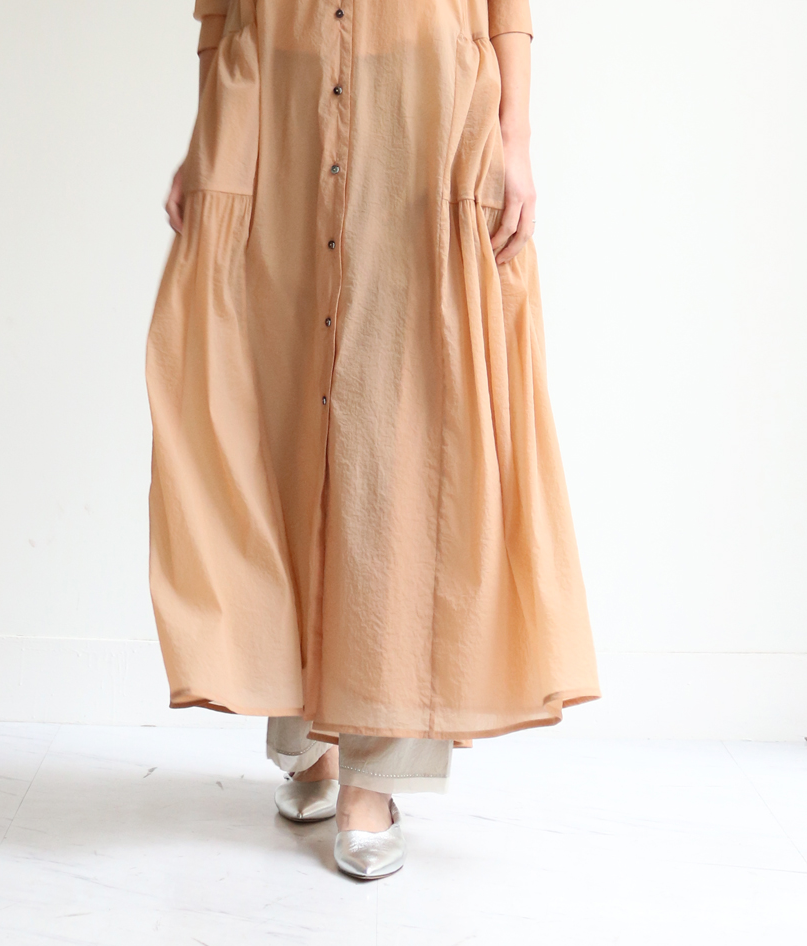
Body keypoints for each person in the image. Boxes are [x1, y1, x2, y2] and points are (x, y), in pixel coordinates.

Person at [146, 0, 599, 879]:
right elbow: (220, 11)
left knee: (401, 436)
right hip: (274, 97)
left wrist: (516, 139)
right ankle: (310, 737)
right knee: (277, 409)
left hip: (424, 100)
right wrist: (206, 135)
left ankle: (374, 776)